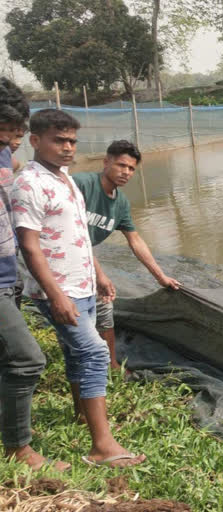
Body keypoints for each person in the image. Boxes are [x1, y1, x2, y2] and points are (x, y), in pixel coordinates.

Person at [11, 109, 145, 467]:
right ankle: (102, 446)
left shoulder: (65, 179)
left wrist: (98, 274)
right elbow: (29, 244)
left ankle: (83, 414)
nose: (68, 147)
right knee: (96, 354)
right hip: (58, 289)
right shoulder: (30, 183)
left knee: (76, 355)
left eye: (72, 141)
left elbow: (79, 236)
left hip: (82, 283)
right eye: (59, 140)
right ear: (35, 141)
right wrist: (56, 295)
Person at [0, 78, 68, 471]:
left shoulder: (6, 157)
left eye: (18, 128)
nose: (16, 136)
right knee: (27, 360)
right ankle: (18, 448)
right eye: (9, 129)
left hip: (8, 275)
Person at [73, 140, 180, 371]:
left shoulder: (120, 203)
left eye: (131, 168)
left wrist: (161, 277)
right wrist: (100, 274)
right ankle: (86, 367)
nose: (126, 172)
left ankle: (111, 363)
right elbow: (74, 235)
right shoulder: (81, 185)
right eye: (121, 165)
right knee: (78, 316)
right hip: (60, 259)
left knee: (104, 306)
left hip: (85, 262)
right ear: (106, 162)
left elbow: (135, 240)